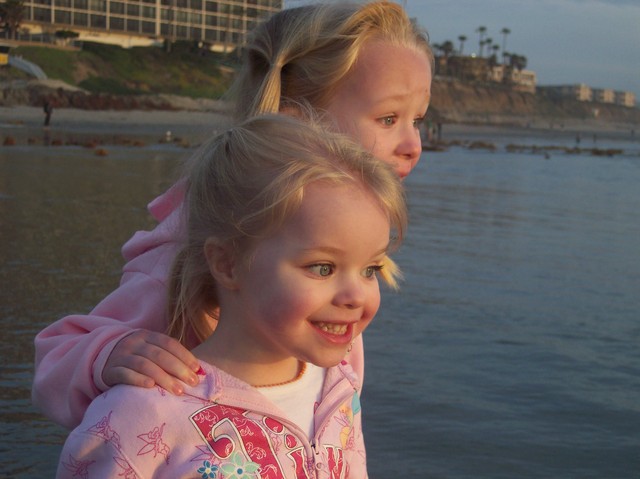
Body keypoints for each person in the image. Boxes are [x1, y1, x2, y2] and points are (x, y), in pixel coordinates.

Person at [33, 0, 434, 429]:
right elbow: (55, 361)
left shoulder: (347, 268)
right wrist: (110, 353)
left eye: (419, 121)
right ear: (297, 120)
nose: (414, 144)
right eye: (389, 118)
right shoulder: (194, 249)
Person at [56, 113, 407, 478]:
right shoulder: (142, 415)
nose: (355, 296)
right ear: (227, 264)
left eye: (370, 269)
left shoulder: (338, 386)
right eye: (322, 268)